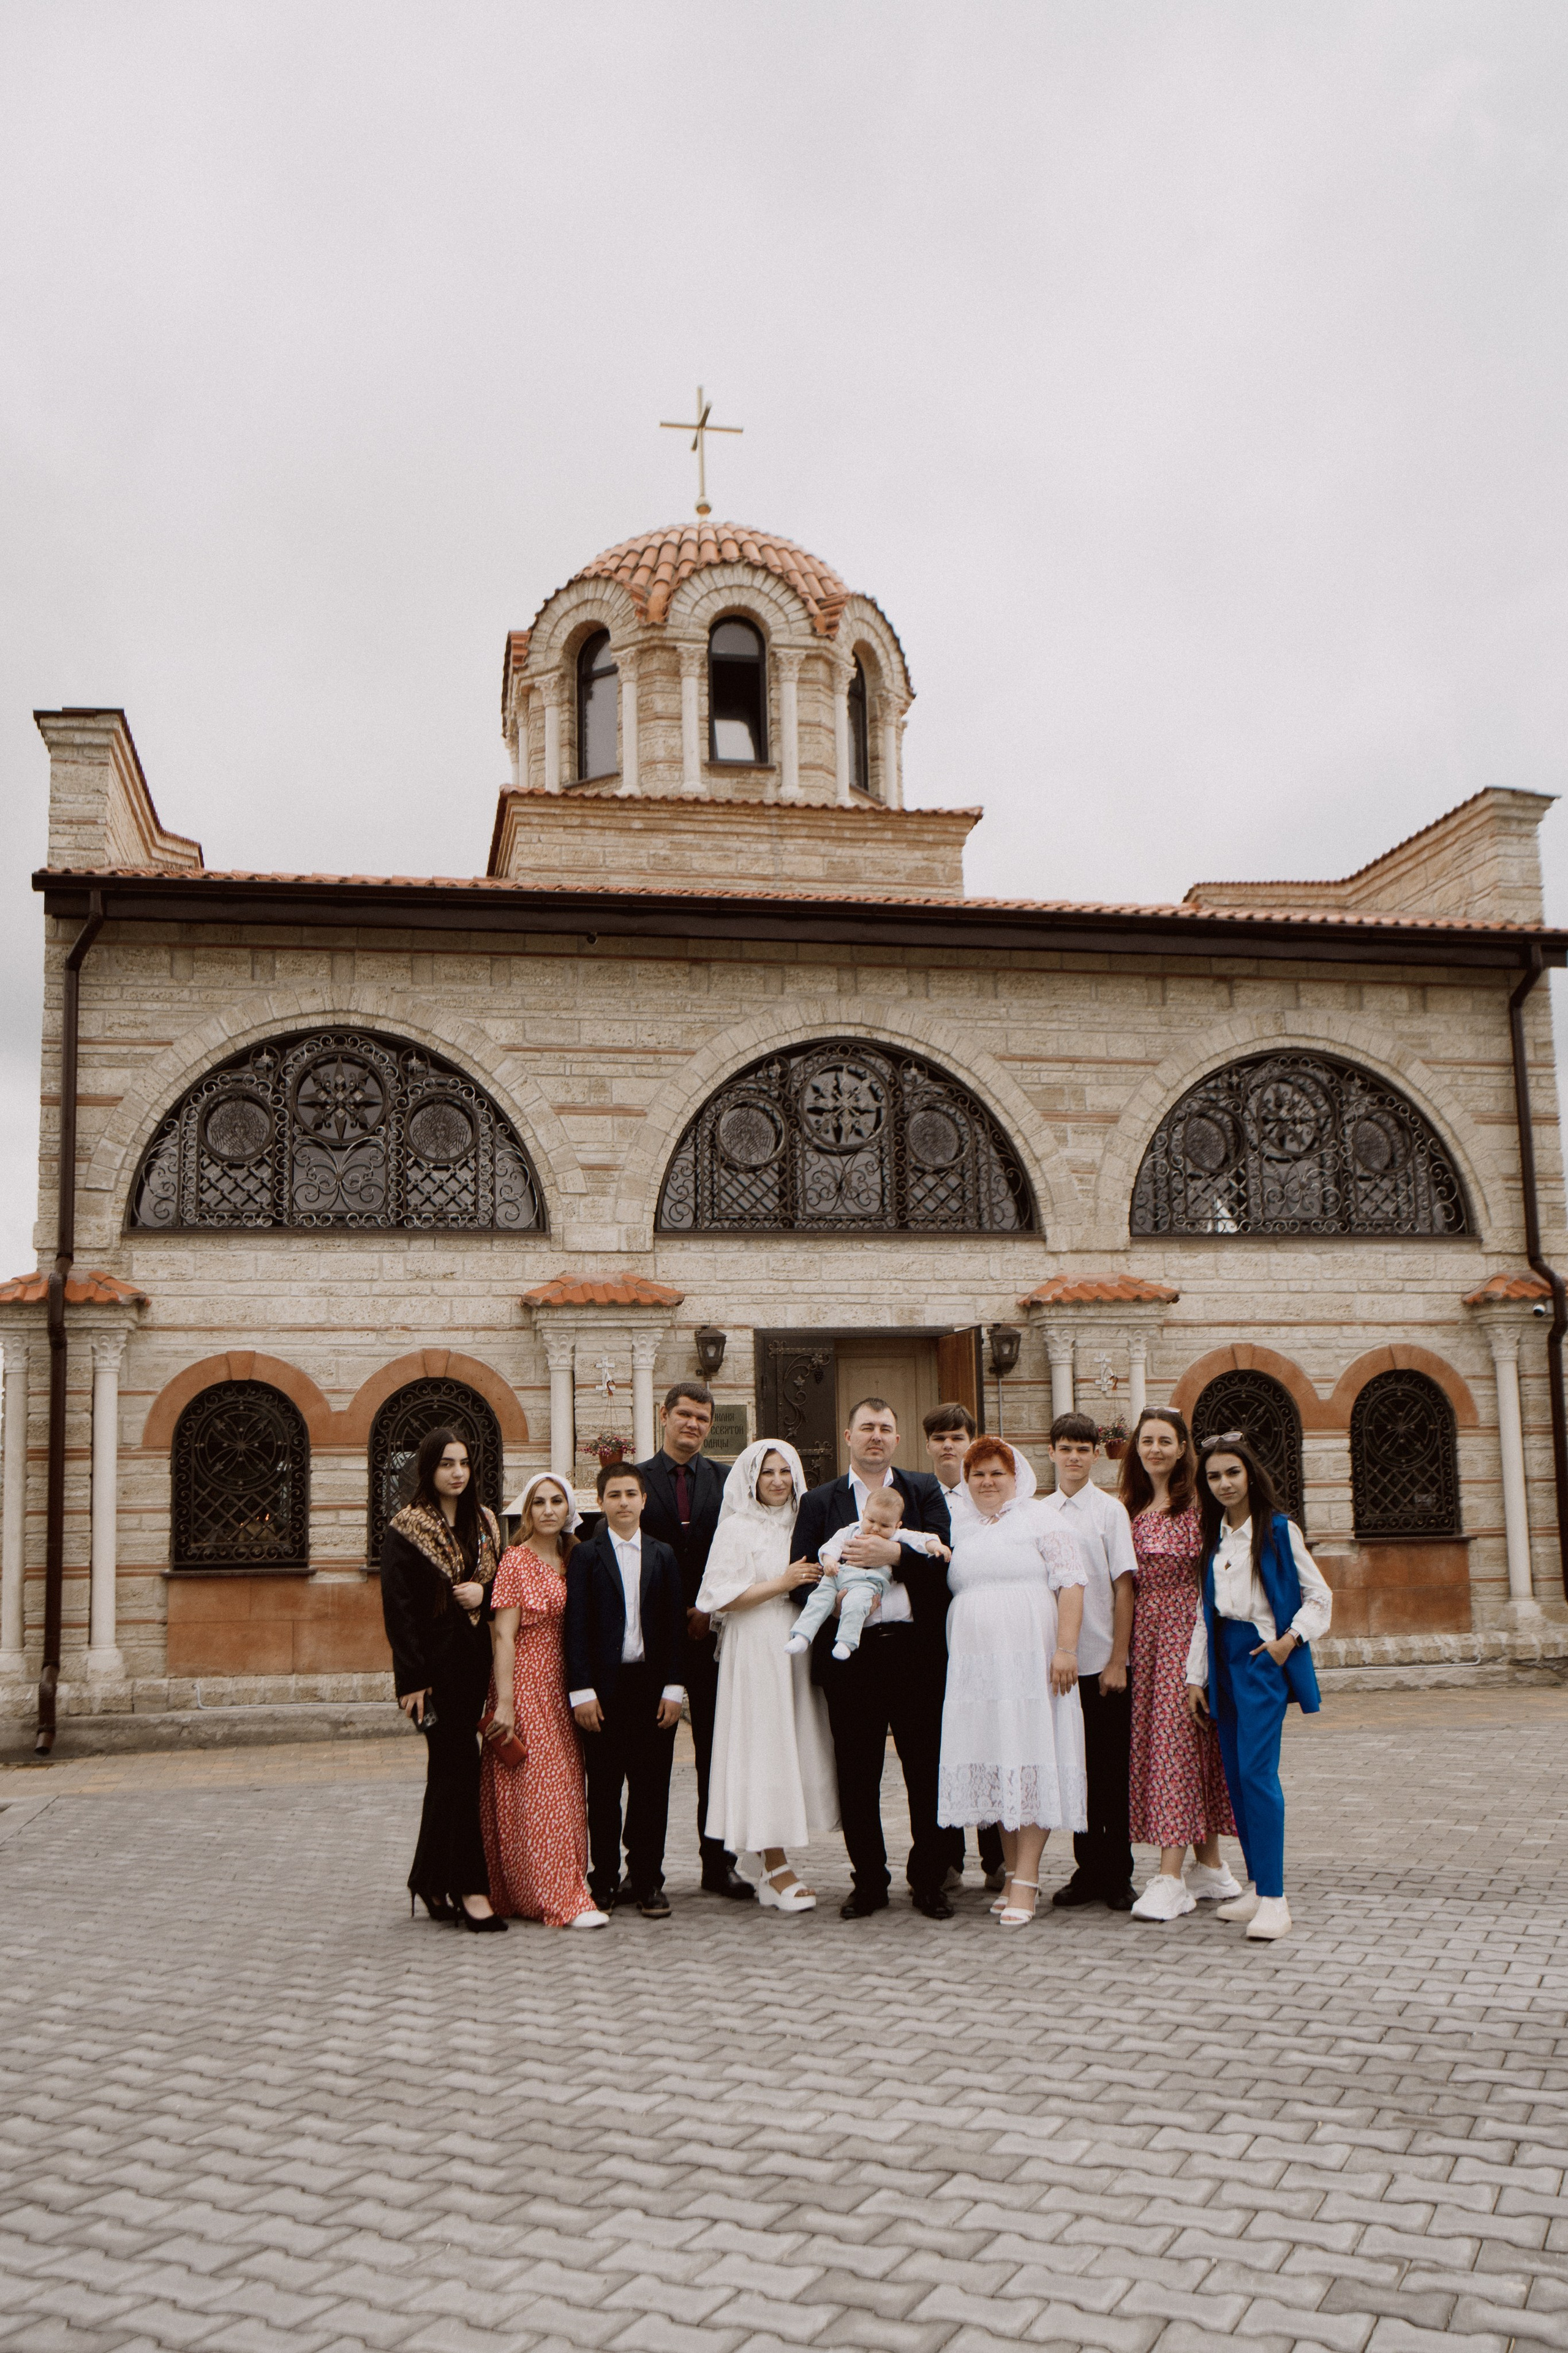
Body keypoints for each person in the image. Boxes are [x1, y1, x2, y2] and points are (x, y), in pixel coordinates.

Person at [790, 1397, 954, 1920]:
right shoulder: (820, 1502)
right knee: (857, 1773)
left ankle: (929, 1878)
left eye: (885, 1427)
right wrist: (834, 1600)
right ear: (848, 1436)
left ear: (898, 1438)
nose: (876, 1436)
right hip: (852, 1655)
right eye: (867, 1428)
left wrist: (897, 1556)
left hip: (914, 1651)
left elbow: (947, 1567)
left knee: (924, 1769)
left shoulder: (922, 1491)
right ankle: (870, 1881)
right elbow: (803, 1577)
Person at [1187, 1430, 1332, 1942]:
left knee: (1257, 1774)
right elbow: (1205, 1615)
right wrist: (1195, 1676)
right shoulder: (1215, 1535)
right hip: (1223, 1659)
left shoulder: (1277, 1529)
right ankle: (1255, 1883)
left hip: (1260, 1657)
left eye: (1232, 1472)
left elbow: (1320, 1596)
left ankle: (1276, 1898)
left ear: (1250, 1473)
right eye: (1213, 1476)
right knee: (1234, 1775)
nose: (1224, 1483)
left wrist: (1287, 1641)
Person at [937, 1438, 1088, 1924]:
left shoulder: (1041, 1517)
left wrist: (1066, 1649)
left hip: (1031, 1660)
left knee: (1029, 1755)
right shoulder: (960, 1524)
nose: (987, 1482)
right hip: (978, 1670)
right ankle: (1011, 1873)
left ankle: (1027, 1876)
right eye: (977, 1473)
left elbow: (1072, 1583)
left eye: (996, 1473)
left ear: (1016, 1476)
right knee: (1000, 1758)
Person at [695, 1440, 839, 1913]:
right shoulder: (737, 1527)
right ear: (752, 1480)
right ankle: (773, 1866)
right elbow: (716, 1597)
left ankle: (773, 1861)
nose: (777, 1480)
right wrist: (782, 1582)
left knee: (791, 1745)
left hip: (797, 1645)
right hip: (756, 1643)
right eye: (767, 1472)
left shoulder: (807, 1522)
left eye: (785, 1471)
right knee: (764, 1747)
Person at [380, 1427, 505, 1932]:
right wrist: (411, 1679)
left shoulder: (486, 1524)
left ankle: (430, 1879)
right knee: (460, 1771)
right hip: (434, 1675)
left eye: (464, 1463)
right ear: (428, 1469)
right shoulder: (406, 1528)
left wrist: (485, 1590)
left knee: (447, 1778)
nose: (457, 1472)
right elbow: (399, 1610)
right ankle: (472, 1888)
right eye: (446, 1463)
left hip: (478, 1666)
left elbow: (505, 1589)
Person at [1121, 1407, 1241, 1922]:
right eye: (1147, 1440)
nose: (1155, 1449)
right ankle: (1211, 1866)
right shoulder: (1132, 1505)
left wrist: (1199, 1664)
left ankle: (1171, 1877)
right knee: (1182, 1748)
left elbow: (1206, 1586)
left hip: (1184, 1638)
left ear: (1182, 1446)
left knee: (1174, 1747)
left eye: (1165, 1440)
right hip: (1144, 1640)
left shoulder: (1196, 1507)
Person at [636, 1383, 752, 1902]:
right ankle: (645, 1874)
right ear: (664, 1416)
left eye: (702, 1418)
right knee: (650, 1762)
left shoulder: (728, 1483)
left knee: (716, 1754)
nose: (693, 1424)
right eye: (684, 1414)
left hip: (711, 1636)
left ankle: (718, 1863)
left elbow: (738, 1554)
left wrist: (710, 1606)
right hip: (654, 1641)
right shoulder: (635, 1482)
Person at [481, 1472, 606, 1931]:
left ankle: (547, 1887)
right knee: (539, 1790)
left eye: (557, 1501)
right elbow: (504, 1635)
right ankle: (559, 1898)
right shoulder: (515, 1560)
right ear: (528, 1511)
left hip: (566, 1681)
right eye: (539, 1502)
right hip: (527, 1681)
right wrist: (507, 1702)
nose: (549, 1510)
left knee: (569, 1788)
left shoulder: (575, 1557)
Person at [566, 1462, 686, 1918]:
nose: (623, 1502)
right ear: (600, 1502)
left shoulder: (664, 1554)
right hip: (604, 1691)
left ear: (643, 1500)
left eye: (630, 1494)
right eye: (614, 1495)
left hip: (652, 1689)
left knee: (651, 1790)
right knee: (604, 1791)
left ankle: (648, 1878)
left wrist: (675, 1687)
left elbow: (675, 1626)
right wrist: (582, 1691)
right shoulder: (586, 1555)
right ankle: (604, 1879)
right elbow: (575, 1626)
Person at [1041, 1413, 1139, 1913]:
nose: (1075, 1456)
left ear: (1096, 1454)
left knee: (1109, 1771)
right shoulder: (1040, 1513)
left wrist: (1118, 1659)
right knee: (1075, 1772)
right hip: (1061, 1667)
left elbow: (1124, 1586)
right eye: (1066, 1447)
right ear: (1052, 1452)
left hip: (1103, 1660)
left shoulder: (1110, 1513)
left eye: (1083, 1447)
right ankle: (1087, 1869)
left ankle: (1117, 1872)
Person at [924, 1402, 1005, 1892]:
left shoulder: (988, 1495)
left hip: (984, 1637)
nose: (949, 1445)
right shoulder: (916, 1493)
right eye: (940, 1438)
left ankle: (996, 1857)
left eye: (957, 1436)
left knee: (989, 1742)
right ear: (929, 1444)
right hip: (936, 1637)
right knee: (946, 1745)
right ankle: (947, 1856)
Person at [787, 1488, 949, 1661]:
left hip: (866, 1582)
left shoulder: (897, 1536)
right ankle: (802, 1635)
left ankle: (846, 1641)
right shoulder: (851, 1530)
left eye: (884, 1525)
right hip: (837, 1574)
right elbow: (832, 1546)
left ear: (897, 1525)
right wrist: (829, 1562)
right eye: (871, 1520)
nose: (875, 1528)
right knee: (818, 1600)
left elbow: (922, 1540)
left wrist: (937, 1547)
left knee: (856, 1605)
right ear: (864, 1514)